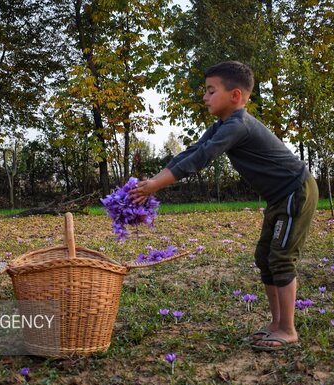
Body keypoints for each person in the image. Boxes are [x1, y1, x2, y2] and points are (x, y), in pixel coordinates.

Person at [130, 60, 319, 350]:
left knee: (280, 258)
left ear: (235, 96)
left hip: (296, 191)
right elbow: (193, 150)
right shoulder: (222, 125)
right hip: (279, 196)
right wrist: (154, 180)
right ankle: (276, 323)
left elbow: (201, 158)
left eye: (210, 91)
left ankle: (288, 329)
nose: (204, 97)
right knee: (264, 257)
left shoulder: (238, 125)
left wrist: (156, 185)